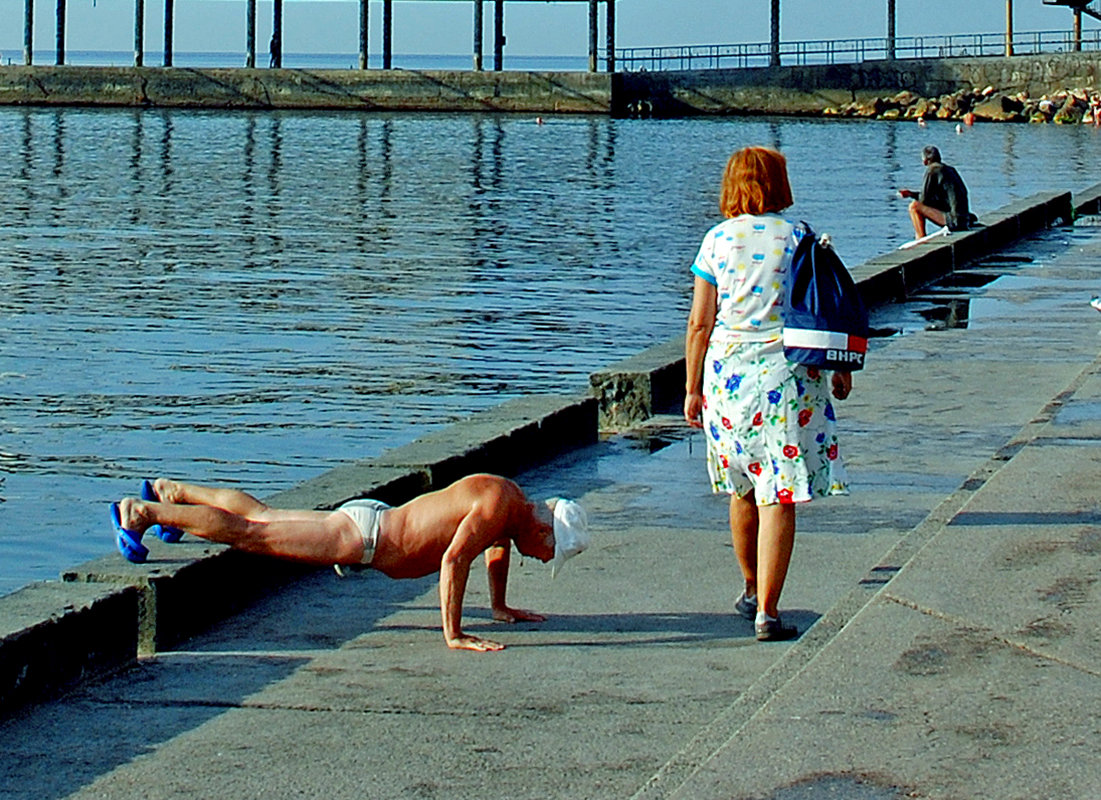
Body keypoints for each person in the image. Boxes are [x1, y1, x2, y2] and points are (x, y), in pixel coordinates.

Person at [110, 473, 589, 652]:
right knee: (254, 534)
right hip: (364, 538)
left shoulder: (511, 505)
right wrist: (454, 633)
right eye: (550, 554)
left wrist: (500, 607)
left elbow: (497, 547)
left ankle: (174, 492)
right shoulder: (498, 506)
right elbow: (454, 560)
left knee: (261, 517)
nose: (542, 558)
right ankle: (143, 511)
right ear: (545, 530)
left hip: (374, 528)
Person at [683, 146, 851, 642]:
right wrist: (840, 369)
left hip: (727, 376)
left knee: (742, 486)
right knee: (780, 491)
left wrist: (692, 389)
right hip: (788, 377)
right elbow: (824, 308)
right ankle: (769, 614)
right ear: (779, 183)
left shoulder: (715, 242)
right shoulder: (799, 236)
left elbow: (699, 323)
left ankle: (751, 587)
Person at [898, 145, 974, 238]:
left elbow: (924, 200)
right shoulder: (950, 169)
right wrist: (911, 194)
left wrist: (911, 195)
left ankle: (920, 238)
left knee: (914, 206)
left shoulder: (933, 170)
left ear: (925, 161)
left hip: (955, 221)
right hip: (965, 218)